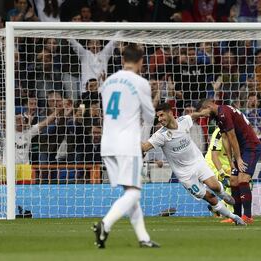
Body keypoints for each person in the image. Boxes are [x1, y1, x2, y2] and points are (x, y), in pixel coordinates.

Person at [94, 43, 159, 249]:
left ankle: (143, 238)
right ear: (140, 61)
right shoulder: (140, 82)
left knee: (130, 192)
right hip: (127, 144)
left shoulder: (108, 81)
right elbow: (150, 116)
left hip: (108, 144)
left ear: (123, 60)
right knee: (134, 193)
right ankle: (105, 224)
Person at [141, 103, 246, 226]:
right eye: (158, 117)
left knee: (215, 187)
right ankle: (234, 218)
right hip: (185, 174)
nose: (160, 119)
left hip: (197, 162)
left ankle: (224, 194)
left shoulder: (183, 121)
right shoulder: (160, 135)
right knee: (210, 198)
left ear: (170, 113)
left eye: (162, 115)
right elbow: (145, 147)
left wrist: (202, 113)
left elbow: (192, 116)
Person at [198, 99, 261, 224]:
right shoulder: (219, 117)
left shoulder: (224, 113)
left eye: (204, 112)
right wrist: (231, 161)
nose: (205, 116)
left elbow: (232, 136)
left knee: (242, 179)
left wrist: (238, 158)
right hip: (242, 149)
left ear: (209, 106)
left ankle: (248, 216)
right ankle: (236, 216)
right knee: (233, 180)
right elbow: (225, 139)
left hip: (251, 147)